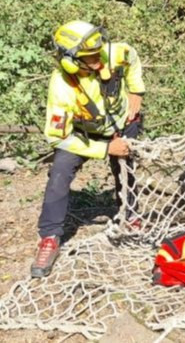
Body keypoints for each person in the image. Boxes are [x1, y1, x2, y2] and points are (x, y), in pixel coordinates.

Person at [31, 20, 146, 278]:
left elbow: (133, 58)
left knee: (126, 168)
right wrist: (105, 149)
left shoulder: (114, 52)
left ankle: (131, 215)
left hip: (122, 125)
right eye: (89, 57)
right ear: (70, 60)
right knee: (59, 173)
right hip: (83, 136)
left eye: (98, 53)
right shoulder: (62, 86)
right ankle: (49, 237)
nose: (98, 60)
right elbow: (58, 138)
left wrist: (136, 90)